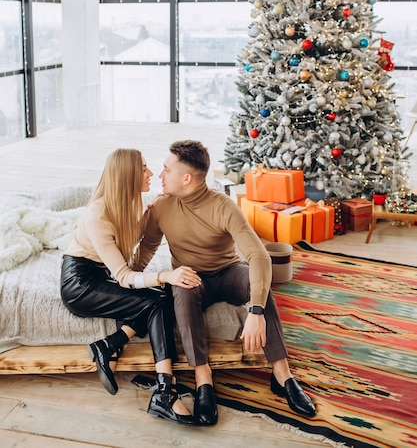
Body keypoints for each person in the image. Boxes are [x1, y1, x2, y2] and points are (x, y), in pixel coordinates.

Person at [143, 140, 316, 425]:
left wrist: (256, 311)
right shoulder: (161, 206)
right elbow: (147, 248)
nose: (160, 175)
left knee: (257, 280)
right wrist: (124, 277)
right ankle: (203, 379)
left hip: (226, 271)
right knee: (182, 288)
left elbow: (259, 257)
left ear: (186, 179)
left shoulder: (223, 206)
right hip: (191, 277)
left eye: (165, 169)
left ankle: (282, 374)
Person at [60, 148, 201, 426]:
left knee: (162, 296)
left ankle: (111, 344)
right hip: (80, 285)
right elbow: (125, 276)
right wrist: (164, 275)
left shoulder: (130, 203)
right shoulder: (97, 215)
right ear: (128, 176)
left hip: (102, 277)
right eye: (145, 169)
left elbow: (137, 255)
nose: (150, 174)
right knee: (157, 299)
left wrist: (151, 221)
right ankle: (164, 391)